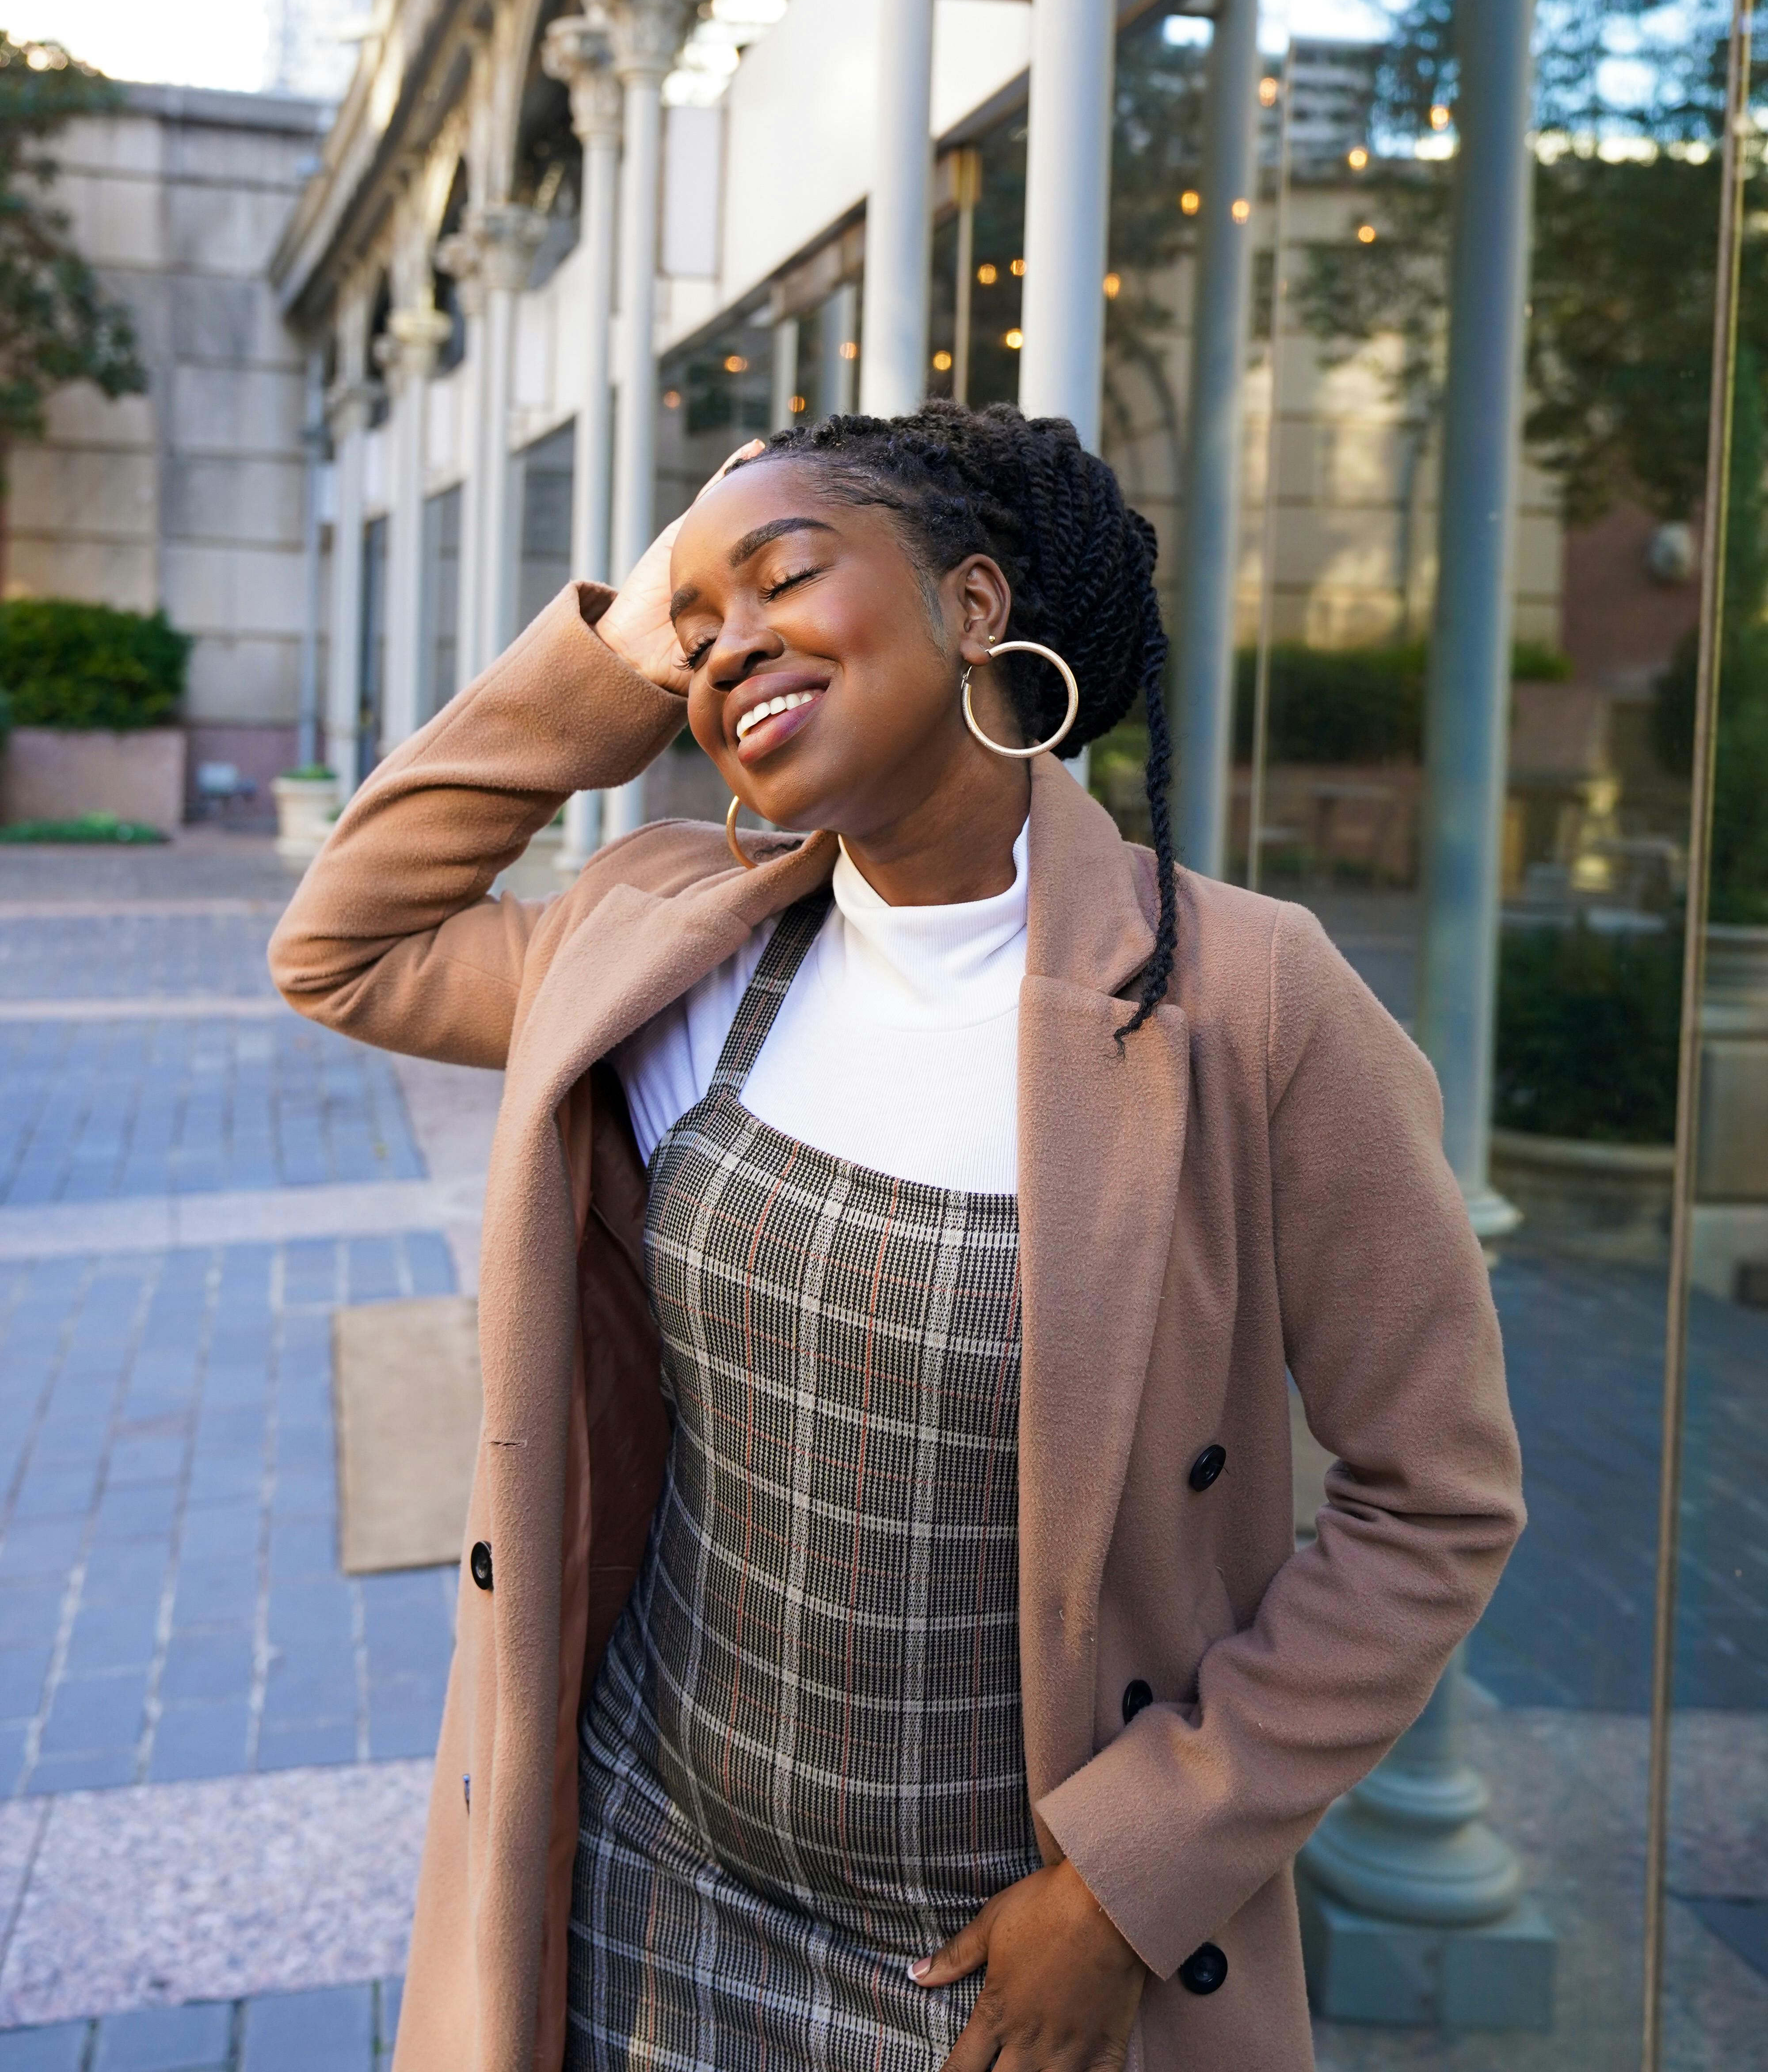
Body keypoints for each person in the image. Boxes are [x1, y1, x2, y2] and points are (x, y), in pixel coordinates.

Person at [270, 400, 1522, 2072]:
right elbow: (340, 944)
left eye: (786, 576)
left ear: (978, 607)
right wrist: (627, 645)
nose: (729, 655)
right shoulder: (666, 941)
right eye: (699, 634)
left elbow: (1434, 1503)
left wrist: (1129, 1882)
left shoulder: (1249, 1004)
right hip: (647, 1885)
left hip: (1003, 1966)